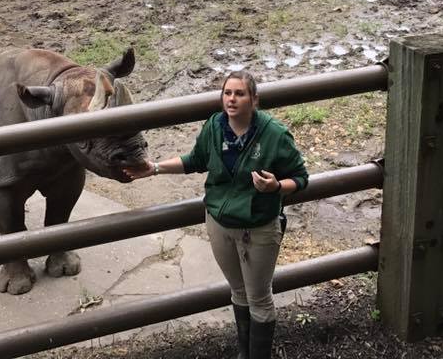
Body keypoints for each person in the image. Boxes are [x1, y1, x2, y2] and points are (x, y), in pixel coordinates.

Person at [124, 70, 308, 359]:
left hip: (258, 228)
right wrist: (155, 168)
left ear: (254, 100)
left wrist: (275, 187)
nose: (232, 99)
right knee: (238, 292)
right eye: (227, 93)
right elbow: (195, 160)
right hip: (220, 224)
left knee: (259, 298)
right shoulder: (214, 127)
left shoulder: (274, 135)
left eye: (240, 93)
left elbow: (300, 178)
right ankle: (243, 353)